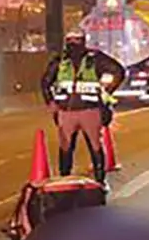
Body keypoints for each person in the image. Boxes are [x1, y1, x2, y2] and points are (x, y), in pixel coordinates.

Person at [41, 32, 125, 188]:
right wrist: (51, 102)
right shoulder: (60, 62)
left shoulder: (95, 59)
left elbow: (119, 71)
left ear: (83, 41)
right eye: (70, 40)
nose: (73, 43)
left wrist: (107, 91)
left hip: (90, 110)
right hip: (66, 111)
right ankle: (65, 180)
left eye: (77, 40)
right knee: (66, 148)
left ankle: (100, 181)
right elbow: (45, 82)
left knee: (95, 147)